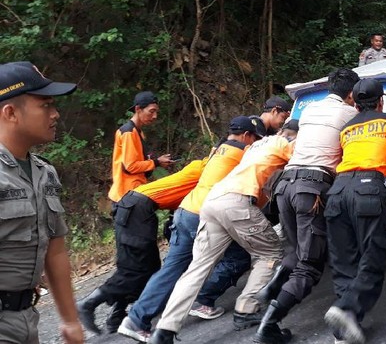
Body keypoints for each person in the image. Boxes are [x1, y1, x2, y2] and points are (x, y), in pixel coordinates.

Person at [149, 123, 299, 344]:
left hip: (212, 201)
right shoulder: (285, 143)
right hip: (237, 202)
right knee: (270, 253)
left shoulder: (257, 145)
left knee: (198, 267)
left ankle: (164, 330)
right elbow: (306, 161)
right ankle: (247, 309)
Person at [117, 116, 264, 342]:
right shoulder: (244, 154)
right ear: (246, 136)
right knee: (238, 256)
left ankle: (136, 320)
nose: (254, 143)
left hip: (185, 211)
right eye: (254, 138)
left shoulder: (219, 150)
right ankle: (204, 300)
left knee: (173, 268)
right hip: (205, 215)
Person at [253, 68, 360, 344]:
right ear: (351, 94)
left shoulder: (309, 110)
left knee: (297, 249)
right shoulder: (350, 114)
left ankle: (274, 286)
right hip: (311, 188)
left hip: (285, 186)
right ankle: (269, 325)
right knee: (311, 265)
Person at [323, 78, 386, 344]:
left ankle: (343, 332)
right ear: (381, 101)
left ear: (355, 103)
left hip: (337, 191)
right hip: (368, 189)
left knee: (343, 262)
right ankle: (346, 309)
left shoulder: (346, 128)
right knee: (372, 256)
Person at [0, 61, 83, 343]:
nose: (56, 114)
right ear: (10, 113)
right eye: (45, 105)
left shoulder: (44, 173)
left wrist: (70, 320)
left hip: (25, 320)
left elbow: (55, 249)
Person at [77, 158, 208, 335]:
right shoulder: (208, 169)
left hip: (136, 206)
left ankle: (116, 316)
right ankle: (88, 304)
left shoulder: (200, 165)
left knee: (147, 266)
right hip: (138, 208)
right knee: (137, 267)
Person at [108, 91, 173, 204]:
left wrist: (157, 161)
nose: (155, 116)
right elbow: (131, 166)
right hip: (126, 195)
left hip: (134, 192)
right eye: (151, 111)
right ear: (138, 109)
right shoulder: (128, 132)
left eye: (156, 112)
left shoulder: (138, 132)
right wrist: (156, 162)